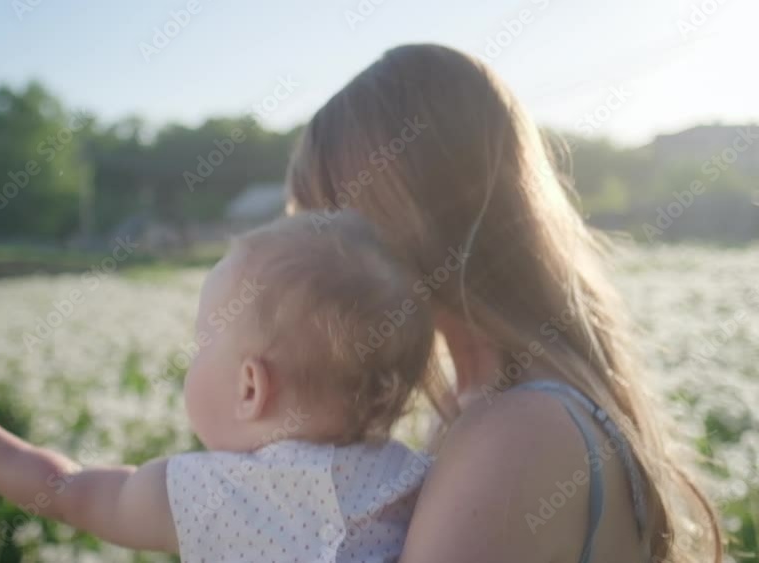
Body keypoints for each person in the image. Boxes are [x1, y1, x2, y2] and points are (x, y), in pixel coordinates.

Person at [286, 43, 722, 563]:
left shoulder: (514, 433)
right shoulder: (481, 401)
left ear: (411, 219)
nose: (308, 268)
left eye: (325, 226)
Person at [0, 210, 438, 562]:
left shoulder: (217, 494)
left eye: (202, 342)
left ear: (251, 388)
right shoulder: (417, 479)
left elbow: (70, 492)